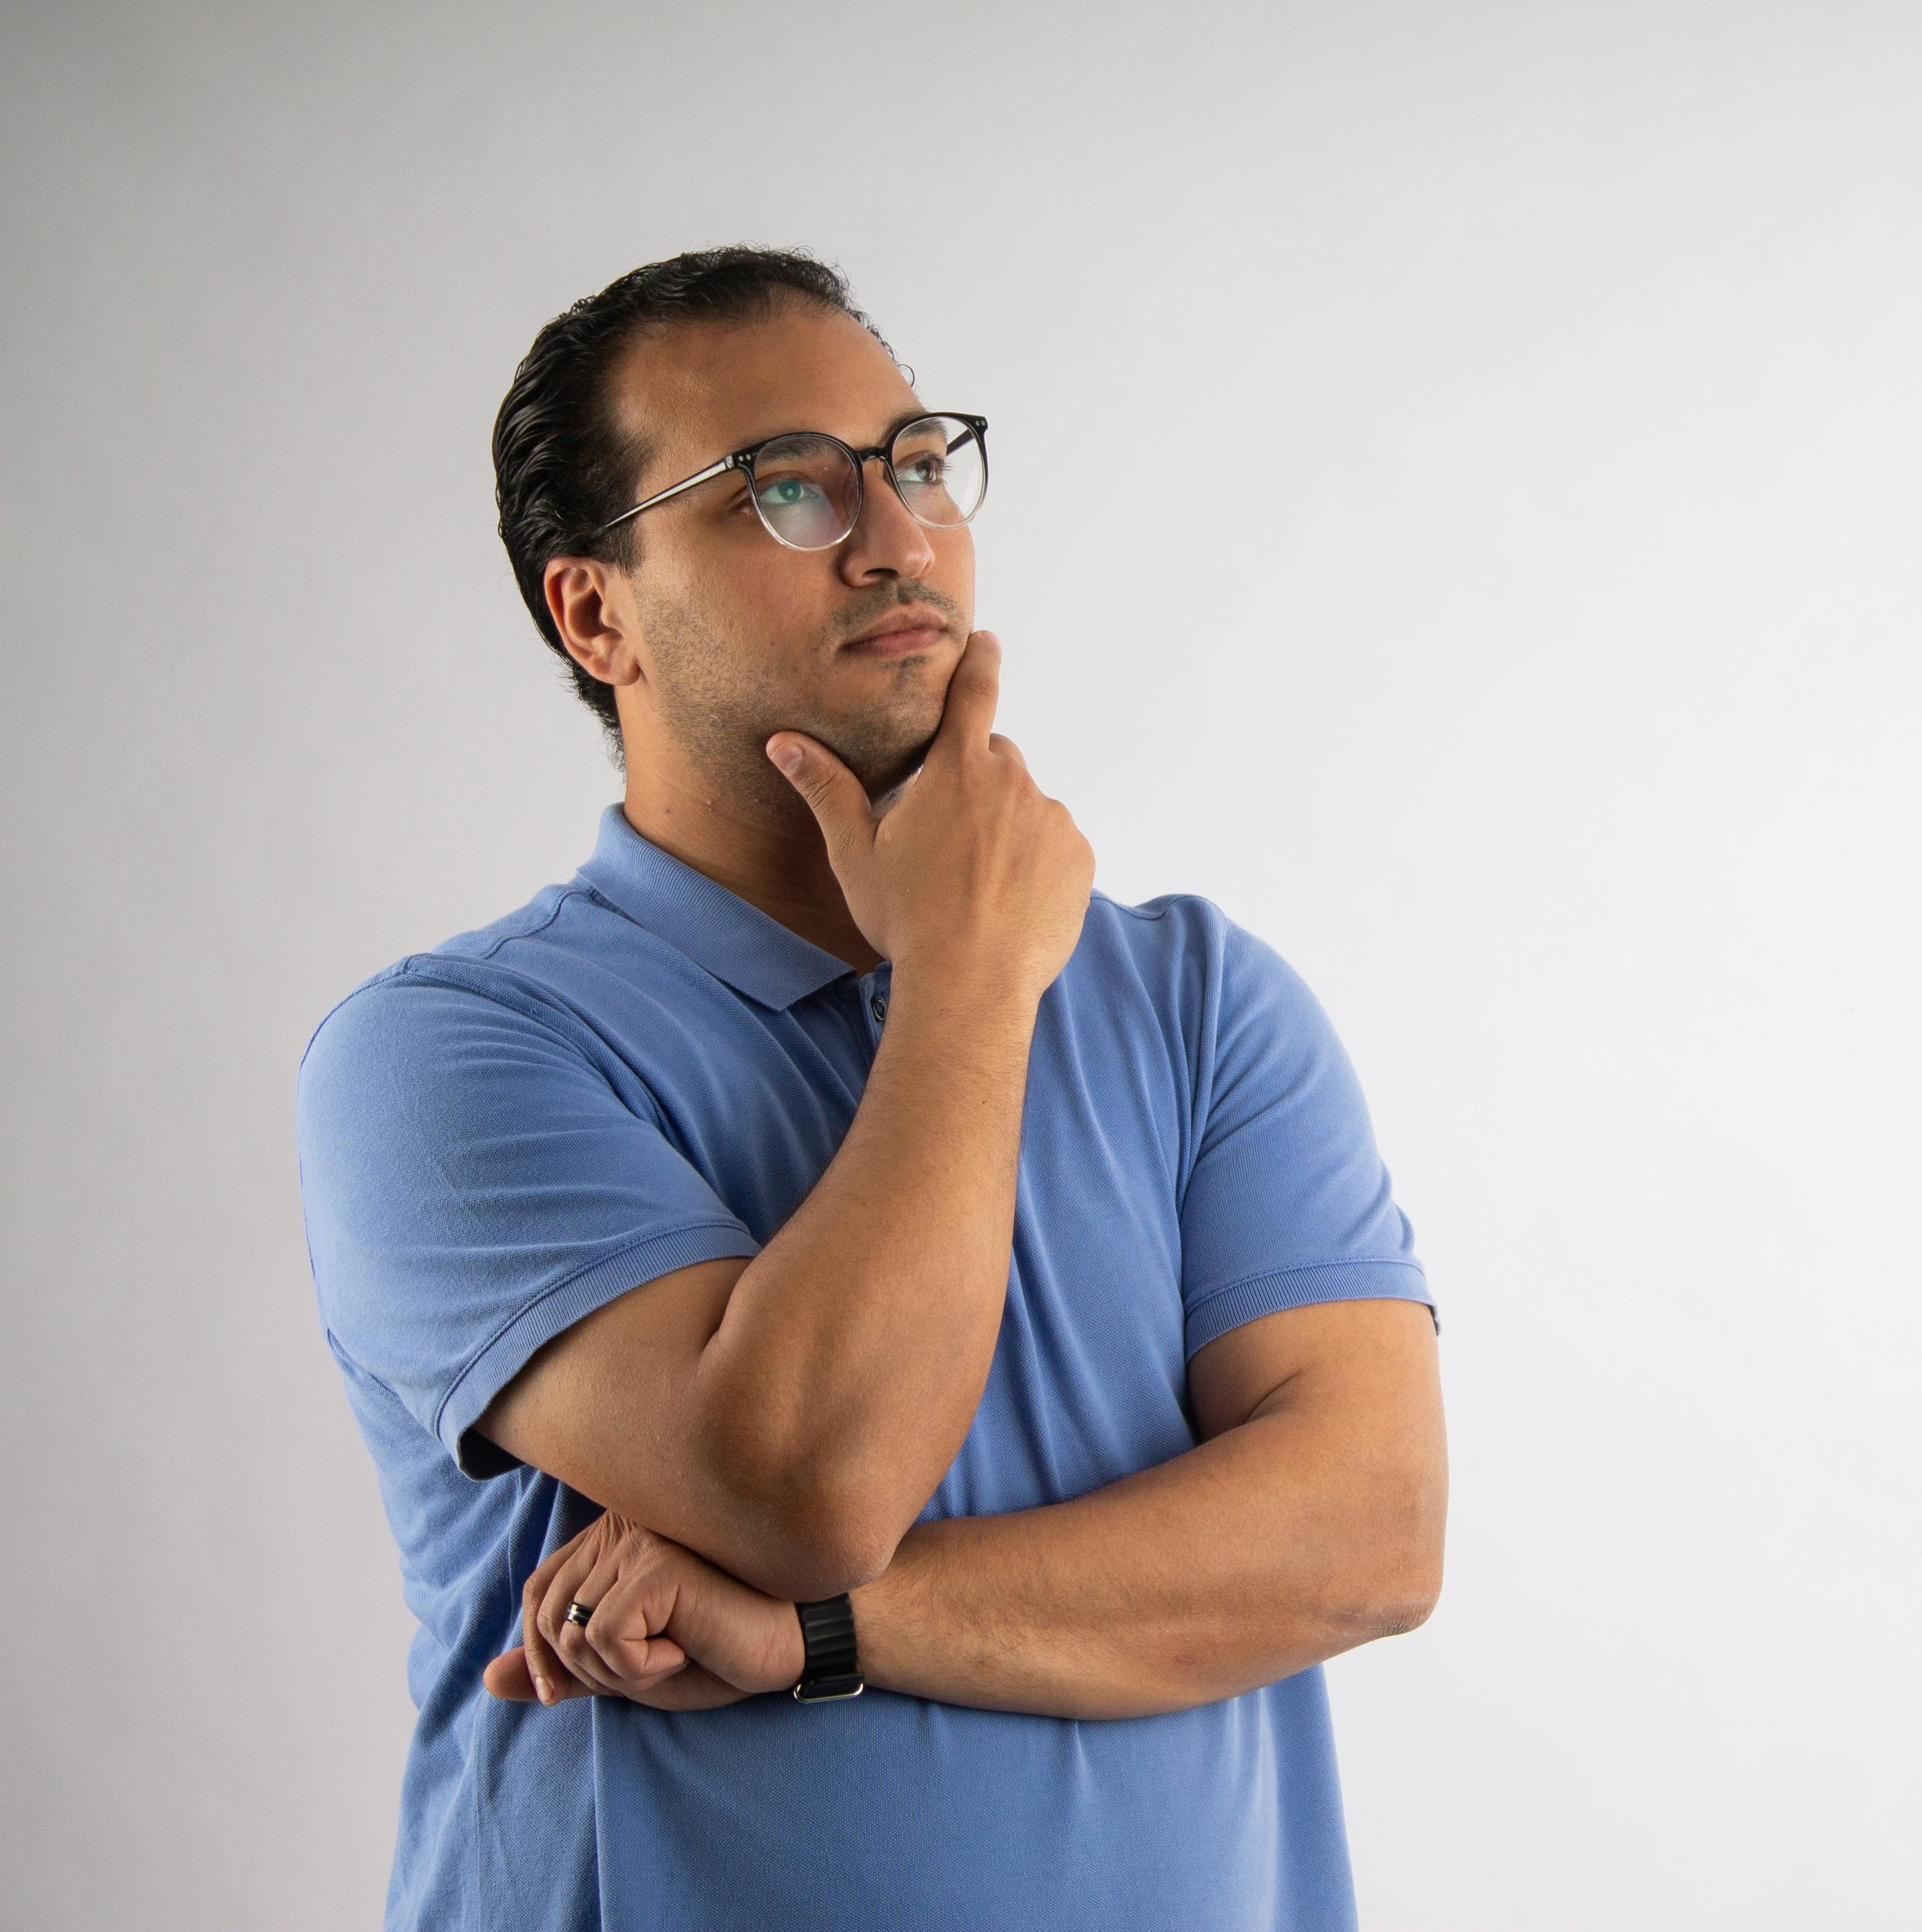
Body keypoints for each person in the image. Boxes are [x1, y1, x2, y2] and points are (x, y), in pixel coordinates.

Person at [293, 246, 1446, 1932]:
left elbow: (1371, 1532)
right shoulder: (447, 1054)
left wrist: (817, 1629)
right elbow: (809, 1485)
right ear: (595, 610)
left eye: (914, 463)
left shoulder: (1196, 1000)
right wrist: (969, 982)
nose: (899, 534)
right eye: (785, 489)